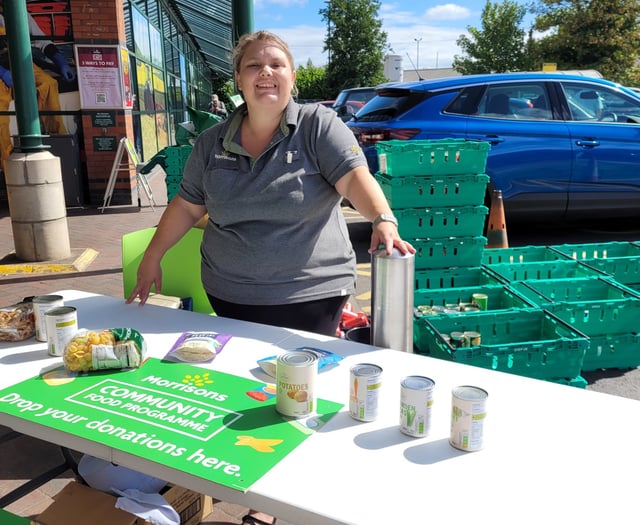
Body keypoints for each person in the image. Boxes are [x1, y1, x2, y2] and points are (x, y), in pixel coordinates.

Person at [126, 29, 413, 337]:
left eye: (276, 64)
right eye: (253, 65)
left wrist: (383, 219)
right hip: (228, 296)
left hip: (313, 295)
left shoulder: (317, 125)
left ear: (292, 76)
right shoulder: (211, 141)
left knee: (301, 380)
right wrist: (152, 257)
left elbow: (355, 178)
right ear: (239, 78)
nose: (265, 71)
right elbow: (186, 206)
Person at [0, 6, 75, 167]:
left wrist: (60, 62)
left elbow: (42, 41)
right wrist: (3, 73)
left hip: (20, 62)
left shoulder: (21, 14)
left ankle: (57, 138)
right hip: (0, 69)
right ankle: (5, 161)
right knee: (0, 111)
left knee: (48, 84)